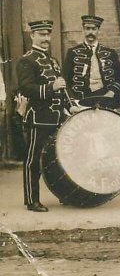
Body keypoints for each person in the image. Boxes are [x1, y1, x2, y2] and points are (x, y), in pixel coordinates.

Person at [17, 20, 70, 211]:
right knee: (33, 160)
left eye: (48, 34)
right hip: (38, 118)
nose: (46, 38)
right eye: (41, 34)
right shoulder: (26, 60)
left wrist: (69, 107)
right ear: (32, 36)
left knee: (58, 159)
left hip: (57, 118)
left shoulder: (53, 61)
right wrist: (51, 87)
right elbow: (26, 88)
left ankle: (64, 194)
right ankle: (31, 200)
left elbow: (61, 90)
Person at [63, 15, 120, 109]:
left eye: (94, 29)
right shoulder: (72, 53)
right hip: (81, 100)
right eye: (87, 29)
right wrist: (72, 100)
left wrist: (112, 92)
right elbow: (65, 79)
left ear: (98, 30)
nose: (91, 32)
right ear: (83, 30)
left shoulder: (110, 53)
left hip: (105, 99)